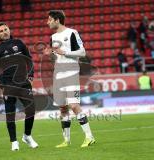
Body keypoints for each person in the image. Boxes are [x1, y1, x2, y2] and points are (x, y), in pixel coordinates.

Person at [44, 10, 95, 148]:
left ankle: (89, 137)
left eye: (49, 19)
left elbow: (82, 52)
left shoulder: (72, 33)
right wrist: (50, 54)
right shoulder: (53, 37)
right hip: (58, 74)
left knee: (73, 105)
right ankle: (66, 140)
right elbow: (56, 57)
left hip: (71, 72)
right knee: (63, 108)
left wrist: (64, 52)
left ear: (57, 20)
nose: (47, 22)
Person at [0, 22, 38, 151]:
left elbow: (29, 59)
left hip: (24, 83)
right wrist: (3, 86)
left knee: (31, 109)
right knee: (10, 113)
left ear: (9, 30)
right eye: (1, 31)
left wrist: (31, 75)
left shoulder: (19, 43)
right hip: (9, 85)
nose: (4, 32)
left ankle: (27, 136)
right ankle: (14, 141)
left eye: (5, 29)